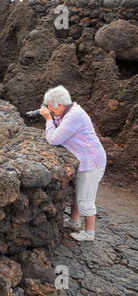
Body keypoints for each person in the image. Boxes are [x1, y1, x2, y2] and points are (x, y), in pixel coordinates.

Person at [40, 85, 106, 242]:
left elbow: (54, 139)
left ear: (60, 105)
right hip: (83, 160)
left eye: (50, 106)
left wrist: (48, 119)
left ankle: (89, 233)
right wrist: (52, 118)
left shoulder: (74, 116)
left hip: (91, 162)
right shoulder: (68, 112)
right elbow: (57, 127)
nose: (48, 109)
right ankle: (74, 221)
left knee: (85, 198)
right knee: (76, 193)